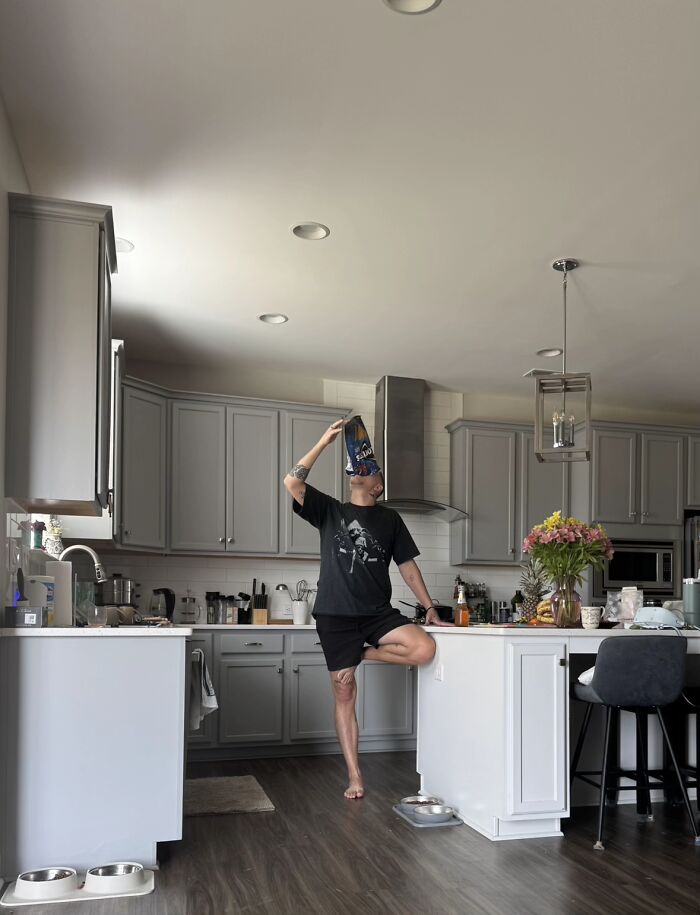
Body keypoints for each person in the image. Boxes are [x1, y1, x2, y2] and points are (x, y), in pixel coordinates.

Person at [283, 419, 450, 800]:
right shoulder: (329, 510)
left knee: (424, 649)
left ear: (377, 486)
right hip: (336, 615)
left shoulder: (390, 519)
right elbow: (292, 482)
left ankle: (362, 654)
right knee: (344, 691)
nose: (364, 470)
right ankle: (356, 776)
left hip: (377, 613)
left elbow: (407, 567)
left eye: (372, 470)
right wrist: (325, 441)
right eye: (361, 467)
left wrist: (429, 608)